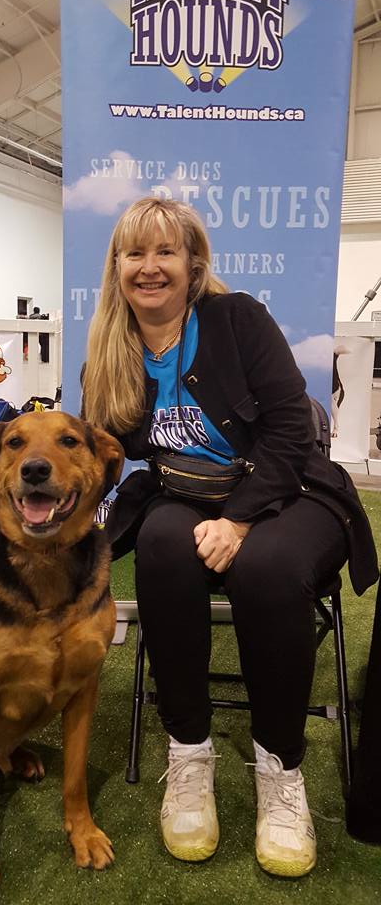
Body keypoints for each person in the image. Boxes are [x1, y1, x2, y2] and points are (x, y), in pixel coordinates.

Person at [82, 197, 379, 877]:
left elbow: (289, 431)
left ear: (193, 264)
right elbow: (102, 450)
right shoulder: (111, 350)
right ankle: (188, 753)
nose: (149, 268)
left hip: (291, 491)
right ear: (118, 266)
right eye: (135, 253)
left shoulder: (236, 318)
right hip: (187, 497)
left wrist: (240, 518)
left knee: (267, 569)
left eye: (165, 253)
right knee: (159, 542)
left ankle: (281, 769)